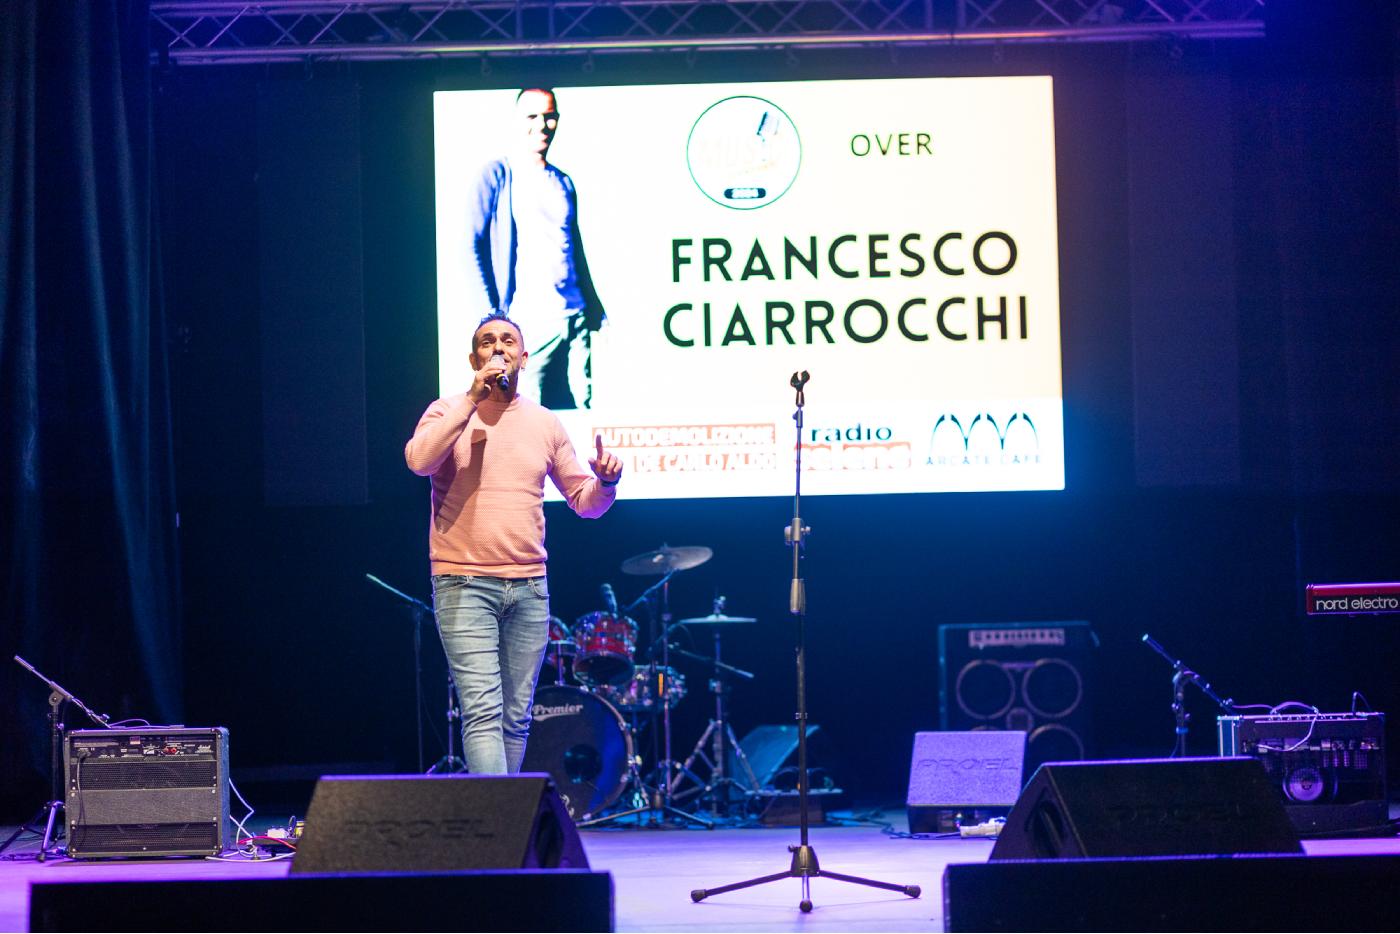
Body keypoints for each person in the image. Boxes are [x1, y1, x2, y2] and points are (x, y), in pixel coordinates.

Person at [405, 313, 622, 774]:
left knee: (516, 718)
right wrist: (471, 400)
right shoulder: (447, 411)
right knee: (482, 712)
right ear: (474, 359)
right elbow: (419, 461)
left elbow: (585, 503)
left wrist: (605, 483)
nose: (498, 348)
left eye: (508, 341)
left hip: (529, 588)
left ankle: (503, 813)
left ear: (523, 358)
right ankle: (497, 818)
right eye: (488, 342)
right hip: (464, 584)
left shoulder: (544, 423)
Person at [462, 87, 606, 410]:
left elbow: (574, 248)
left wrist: (593, 306)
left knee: (579, 413)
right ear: (517, 120)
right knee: (530, 417)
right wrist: (492, 322)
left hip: (573, 317)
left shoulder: (563, 181)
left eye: (549, 116)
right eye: (532, 116)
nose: (541, 125)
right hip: (529, 323)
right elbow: (471, 247)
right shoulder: (497, 176)